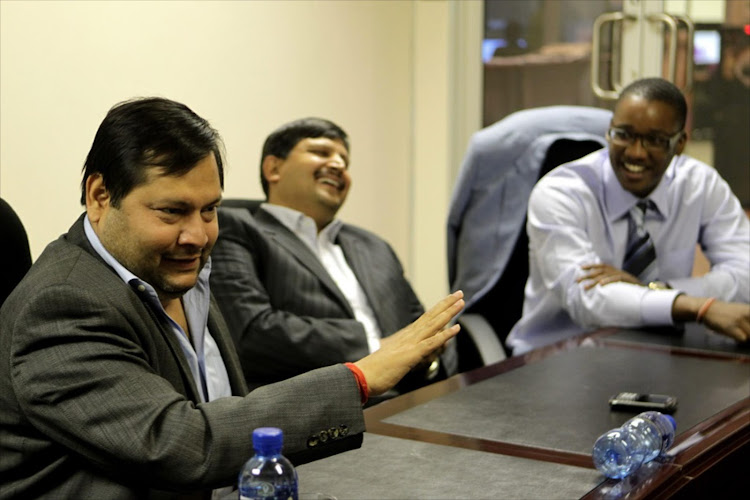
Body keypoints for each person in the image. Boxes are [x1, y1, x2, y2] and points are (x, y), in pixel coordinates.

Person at [0, 97, 463, 498]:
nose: (198, 235)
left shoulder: (181, 274)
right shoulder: (62, 304)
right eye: (172, 212)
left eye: (210, 210)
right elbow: (184, 445)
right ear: (100, 196)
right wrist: (360, 378)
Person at [210, 118, 455, 398]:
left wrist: (428, 354)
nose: (338, 165)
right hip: (320, 408)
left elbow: (417, 326)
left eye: (344, 160)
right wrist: (376, 346)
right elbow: (252, 332)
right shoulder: (234, 227)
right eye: (322, 153)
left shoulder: (373, 246)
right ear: (273, 168)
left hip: (415, 399)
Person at [507, 77, 750, 355]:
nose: (636, 152)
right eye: (624, 134)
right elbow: (585, 300)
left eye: (655, 141)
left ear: (680, 144)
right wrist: (696, 306)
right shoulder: (561, 193)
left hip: (660, 354)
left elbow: (745, 278)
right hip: (558, 357)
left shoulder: (700, 186)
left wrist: (655, 290)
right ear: (609, 131)